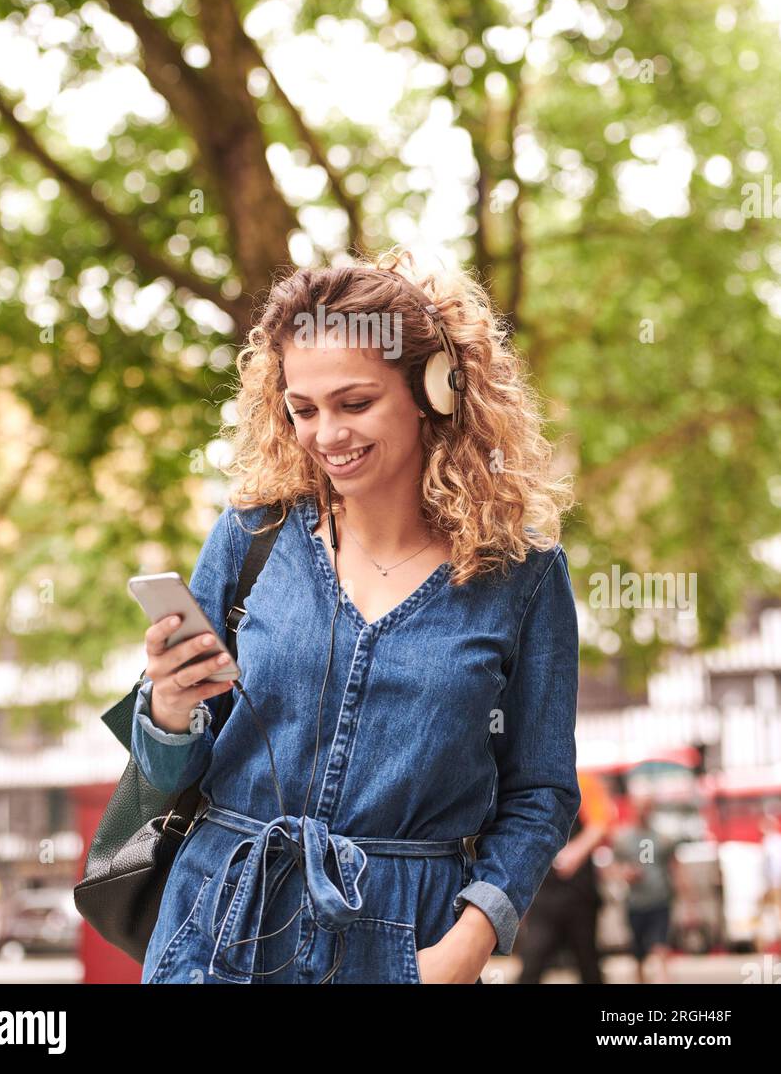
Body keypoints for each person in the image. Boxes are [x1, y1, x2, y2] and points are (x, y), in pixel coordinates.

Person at [129, 249, 582, 984]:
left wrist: (469, 943)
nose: (326, 434)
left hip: (404, 940)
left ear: (434, 390)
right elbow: (160, 774)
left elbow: (542, 792)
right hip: (219, 924)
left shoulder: (522, 577)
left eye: (354, 403)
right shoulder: (249, 539)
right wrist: (169, 712)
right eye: (303, 409)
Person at [517, 768, 617, 983]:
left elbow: (601, 823)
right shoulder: (527, 782)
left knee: (588, 963)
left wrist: (574, 852)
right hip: (543, 895)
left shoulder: (583, 780)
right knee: (532, 962)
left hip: (578, 893)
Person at [611, 794, 682, 983]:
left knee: (660, 944)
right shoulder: (623, 838)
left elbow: (675, 867)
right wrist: (625, 874)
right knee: (638, 950)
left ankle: (663, 978)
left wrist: (684, 896)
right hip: (635, 901)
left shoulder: (663, 839)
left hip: (659, 898)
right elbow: (614, 866)